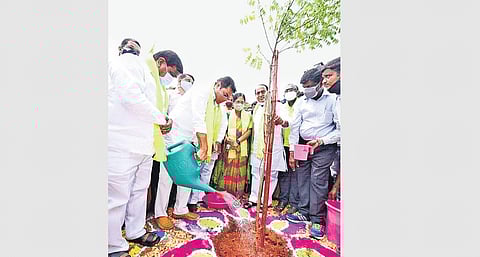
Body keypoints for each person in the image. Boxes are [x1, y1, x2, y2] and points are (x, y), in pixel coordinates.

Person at [108, 39, 167, 257]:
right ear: (121, 48)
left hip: (142, 143)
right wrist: (162, 119)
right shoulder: (122, 62)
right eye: (129, 44)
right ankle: (112, 245)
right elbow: (130, 97)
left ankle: (134, 231)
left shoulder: (142, 67)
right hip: (121, 142)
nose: (133, 48)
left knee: (139, 192)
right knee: (117, 197)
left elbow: (148, 101)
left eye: (136, 46)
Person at [157, 76, 236, 222]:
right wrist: (204, 146)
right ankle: (160, 213)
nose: (225, 99)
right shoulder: (203, 90)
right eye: (225, 94)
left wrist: (209, 143)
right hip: (175, 134)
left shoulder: (217, 106)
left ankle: (180, 209)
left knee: (189, 173)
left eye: (228, 97)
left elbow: (216, 124)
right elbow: (198, 118)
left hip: (190, 139)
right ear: (217, 85)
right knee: (167, 175)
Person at [286, 67, 340, 240]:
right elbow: (295, 127)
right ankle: (304, 212)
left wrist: (322, 141)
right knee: (302, 178)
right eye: (304, 87)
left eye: (310, 85)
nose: (307, 89)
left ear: (319, 83)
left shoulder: (333, 100)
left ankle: (317, 219)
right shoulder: (302, 102)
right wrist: (293, 151)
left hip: (323, 147)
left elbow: (341, 130)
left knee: (318, 180)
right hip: (303, 146)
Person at [145, 49, 184, 231]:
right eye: (172, 74)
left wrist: (166, 120)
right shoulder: (144, 73)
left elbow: (162, 112)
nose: (172, 79)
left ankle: (139, 223)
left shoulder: (161, 87)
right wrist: (162, 120)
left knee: (142, 186)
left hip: (158, 141)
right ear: (161, 62)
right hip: (136, 140)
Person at [243, 84, 287, 209]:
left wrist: (281, 121)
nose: (261, 95)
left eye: (263, 92)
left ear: (269, 93)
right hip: (257, 146)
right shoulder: (256, 108)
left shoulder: (277, 106)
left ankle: (266, 201)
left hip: (273, 146)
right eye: (258, 93)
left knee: (271, 174)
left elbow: (287, 122)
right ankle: (254, 199)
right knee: (256, 172)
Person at [276, 84, 302, 213]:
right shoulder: (282, 107)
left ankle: (294, 202)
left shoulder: (301, 104)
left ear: (297, 92)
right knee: (284, 174)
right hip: (283, 145)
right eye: (287, 90)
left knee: (296, 174)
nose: (289, 92)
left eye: (292, 90)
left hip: (297, 145)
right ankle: (283, 200)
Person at [222, 93, 253, 199]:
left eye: (241, 102)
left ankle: (238, 196)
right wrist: (228, 140)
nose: (239, 104)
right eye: (237, 101)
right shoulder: (227, 114)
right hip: (229, 147)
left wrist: (238, 141)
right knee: (229, 170)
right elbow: (223, 129)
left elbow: (249, 130)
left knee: (240, 172)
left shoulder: (248, 115)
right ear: (233, 102)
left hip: (242, 147)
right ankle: (228, 195)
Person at [321, 57, 341, 200]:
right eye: (324, 77)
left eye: (329, 76)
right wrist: (321, 141)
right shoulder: (337, 99)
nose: (324, 81)